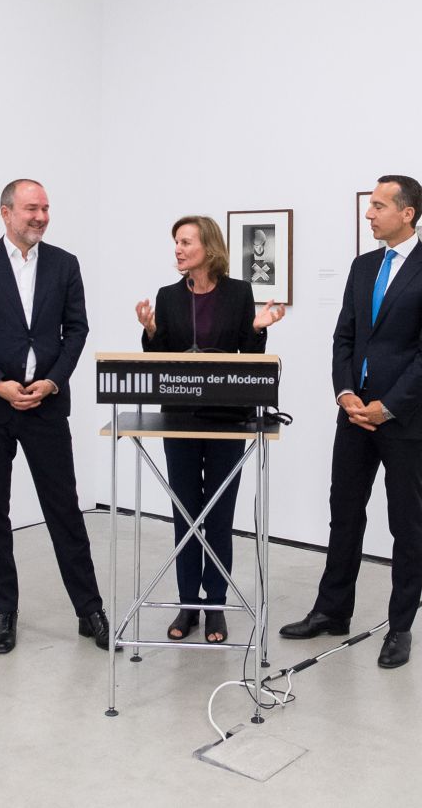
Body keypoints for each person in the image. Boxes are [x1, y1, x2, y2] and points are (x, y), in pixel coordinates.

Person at [280, 175, 422, 670]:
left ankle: (400, 626)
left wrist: (387, 405)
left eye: (378, 206)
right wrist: (345, 393)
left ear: (407, 213)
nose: (369, 214)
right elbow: (345, 335)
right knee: (345, 514)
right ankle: (332, 611)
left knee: (406, 523)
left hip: (405, 419)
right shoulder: (362, 267)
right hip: (353, 414)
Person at [0, 179, 110, 655]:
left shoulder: (64, 264)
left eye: (45, 208)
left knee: (64, 509)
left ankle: (89, 609)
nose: (39, 217)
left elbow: (76, 330)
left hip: (46, 405)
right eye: (30, 209)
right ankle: (6, 611)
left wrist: (54, 380)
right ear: (5, 213)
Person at [133, 217, 286, 644]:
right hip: (178, 418)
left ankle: (215, 604)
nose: (178, 250)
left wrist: (258, 328)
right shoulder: (167, 296)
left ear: (208, 246)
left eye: (185, 242)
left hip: (227, 417)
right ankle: (188, 603)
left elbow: (246, 352)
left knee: (218, 514)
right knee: (185, 511)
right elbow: (160, 358)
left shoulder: (238, 292)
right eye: (175, 243)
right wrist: (149, 331)